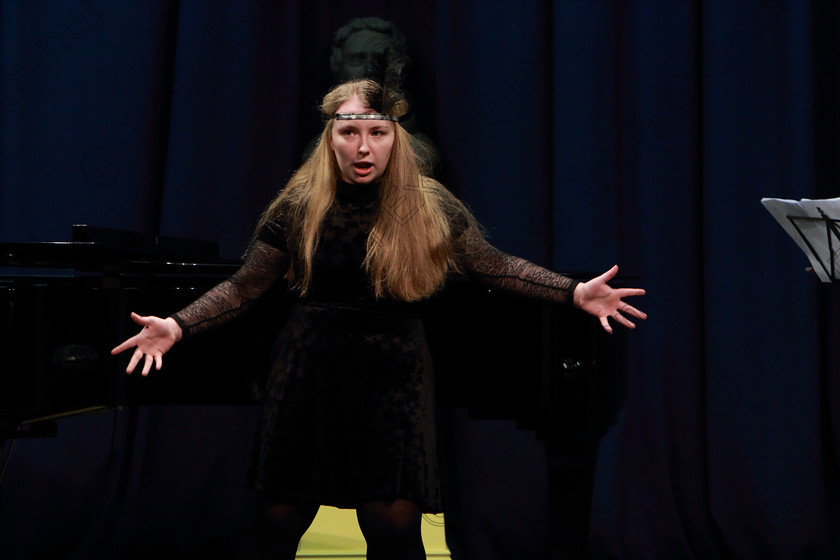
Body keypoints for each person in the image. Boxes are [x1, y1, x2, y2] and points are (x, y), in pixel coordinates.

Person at [111, 79, 646, 560]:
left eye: (376, 132)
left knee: (391, 524)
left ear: (396, 139)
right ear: (330, 138)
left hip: (392, 375)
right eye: (349, 132)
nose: (363, 147)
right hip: (307, 370)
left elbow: (494, 266)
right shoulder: (298, 205)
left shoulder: (430, 204)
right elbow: (245, 285)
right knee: (277, 519)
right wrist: (178, 325)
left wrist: (573, 292)